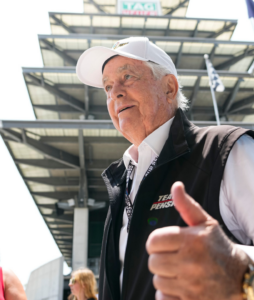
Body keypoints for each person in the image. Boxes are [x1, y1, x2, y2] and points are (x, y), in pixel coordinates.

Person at [76, 36, 254, 300]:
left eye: (128, 77)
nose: (115, 93)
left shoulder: (226, 151)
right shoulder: (120, 181)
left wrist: (241, 272)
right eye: (108, 87)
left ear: (169, 87)